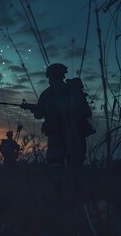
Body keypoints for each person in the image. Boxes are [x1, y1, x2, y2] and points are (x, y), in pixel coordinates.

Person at [32, 63, 94, 193]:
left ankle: (58, 189)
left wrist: (37, 109)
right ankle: (76, 189)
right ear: (63, 74)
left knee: (56, 160)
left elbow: (38, 115)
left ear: (50, 77)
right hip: (75, 131)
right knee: (75, 161)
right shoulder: (73, 90)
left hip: (57, 132)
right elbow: (87, 111)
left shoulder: (47, 93)